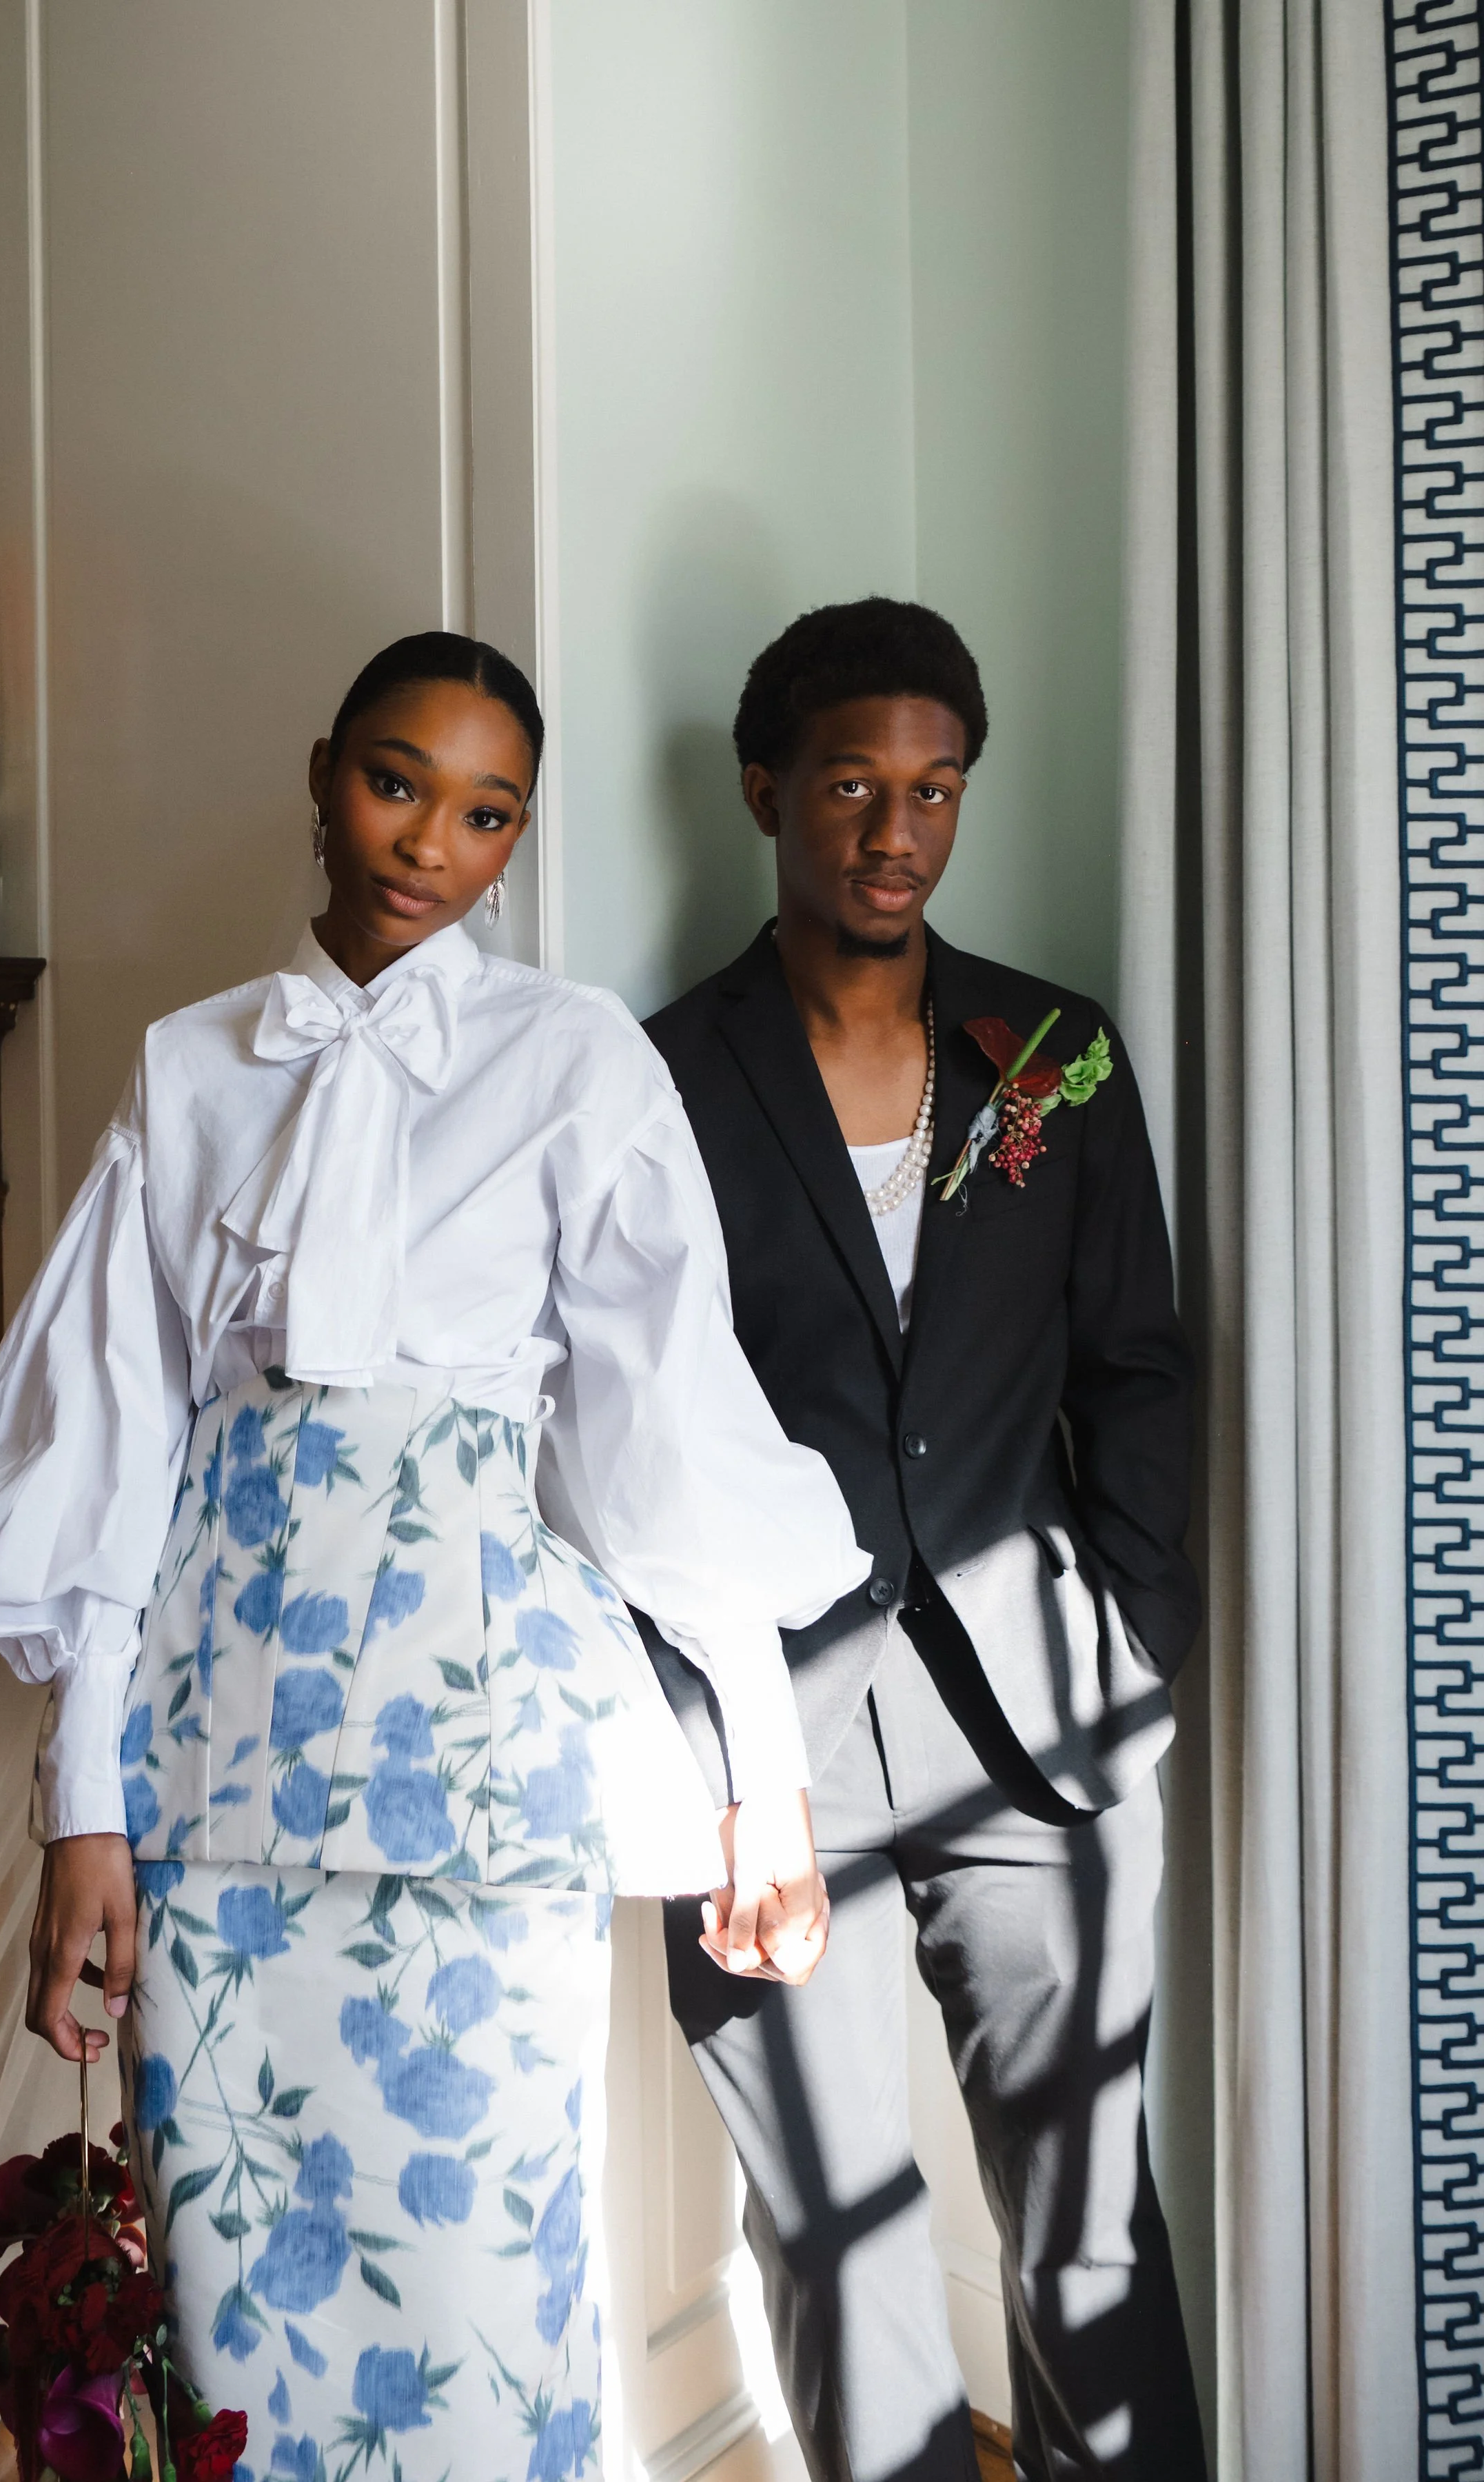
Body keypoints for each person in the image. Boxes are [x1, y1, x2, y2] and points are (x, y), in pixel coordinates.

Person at [0, 632, 870, 2482]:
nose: (427, 839)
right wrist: (80, 1811)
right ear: (318, 771)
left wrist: (767, 1783)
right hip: (210, 1764)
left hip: (478, 1766)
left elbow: (661, 1439)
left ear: (517, 839)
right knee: (231, 2322)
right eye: (392, 779)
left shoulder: (573, 1057)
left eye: (484, 811)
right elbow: (117, 1453)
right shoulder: (191, 1068)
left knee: (490, 2295)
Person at [640, 598, 1206, 2482]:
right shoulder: (650, 1082)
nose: (897, 829)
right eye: (854, 786)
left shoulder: (1054, 1054)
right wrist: (702, 1749)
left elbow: (1138, 1367)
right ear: (765, 791)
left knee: (1093, 2240)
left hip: (1040, 1729)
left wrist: (1133, 1646)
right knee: (843, 2249)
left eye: (936, 789)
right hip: (766, 1760)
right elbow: (633, 1435)